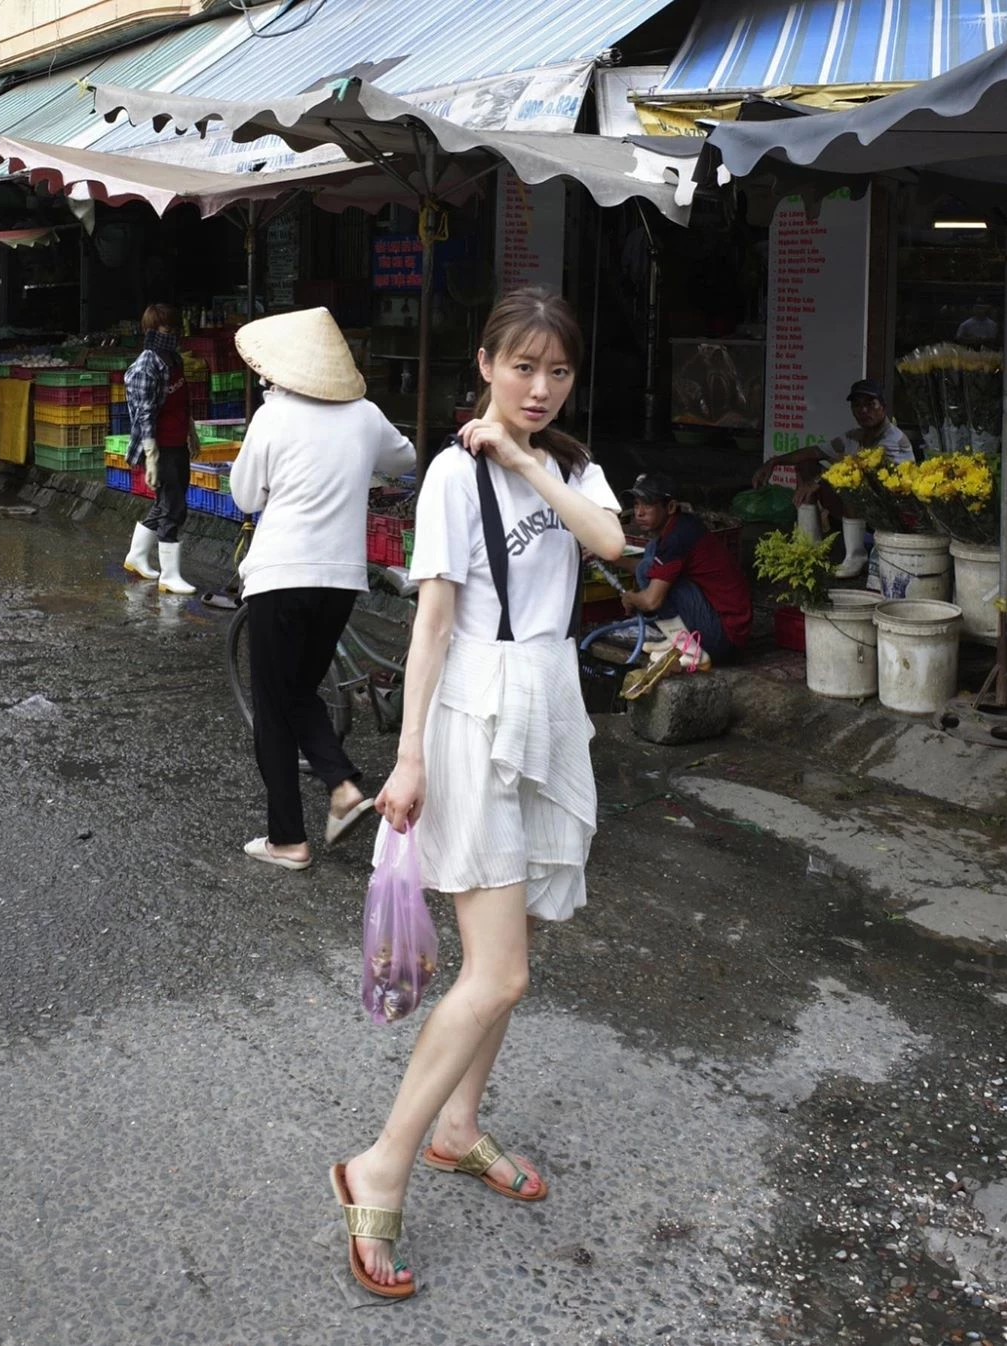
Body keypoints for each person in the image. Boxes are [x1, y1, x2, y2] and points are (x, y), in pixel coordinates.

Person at [328, 288, 624, 1300]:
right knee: (496, 974)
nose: (539, 387)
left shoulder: (571, 466)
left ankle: (458, 1127)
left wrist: (529, 458)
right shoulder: (451, 473)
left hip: (548, 704)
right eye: (523, 366)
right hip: (471, 715)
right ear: (487, 362)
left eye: (559, 370)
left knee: (514, 959)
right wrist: (407, 755)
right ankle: (382, 1161)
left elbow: (613, 547)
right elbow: (435, 619)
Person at [229, 307, 415, 871]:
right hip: (339, 581)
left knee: (274, 706)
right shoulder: (364, 414)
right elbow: (403, 458)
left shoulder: (273, 418)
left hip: (280, 577)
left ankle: (289, 838)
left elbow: (243, 497)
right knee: (296, 692)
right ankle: (339, 785)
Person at [752, 377, 914, 578]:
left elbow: (859, 468)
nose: (863, 411)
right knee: (807, 465)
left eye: (870, 404)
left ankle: (856, 556)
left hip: (892, 512)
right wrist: (774, 462)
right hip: (865, 507)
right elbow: (815, 451)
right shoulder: (854, 436)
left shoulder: (893, 439)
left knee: (852, 482)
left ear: (883, 407)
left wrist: (817, 481)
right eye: (857, 405)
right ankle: (810, 546)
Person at [620, 473, 752, 662]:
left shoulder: (678, 538)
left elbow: (651, 602)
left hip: (724, 637)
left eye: (647, 505)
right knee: (650, 555)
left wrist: (630, 598)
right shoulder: (677, 528)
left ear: (671, 507)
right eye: (636, 505)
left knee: (648, 568)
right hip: (720, 624)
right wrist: (609, 557)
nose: (639, 513)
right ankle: (678, 638)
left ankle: (690, 649)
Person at [122, 302, 199, 595]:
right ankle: (170, 575)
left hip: (177, 442)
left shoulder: (173, 359)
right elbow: (144, 414)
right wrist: (151, 456)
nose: (174, 333)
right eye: (168, 328)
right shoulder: (146, 365)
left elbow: (182, 402)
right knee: (173, 508)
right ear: (153, 331)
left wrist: (191, 432)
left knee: (166, 502)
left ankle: (137, 557)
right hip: (160, 447)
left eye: (175, 328)